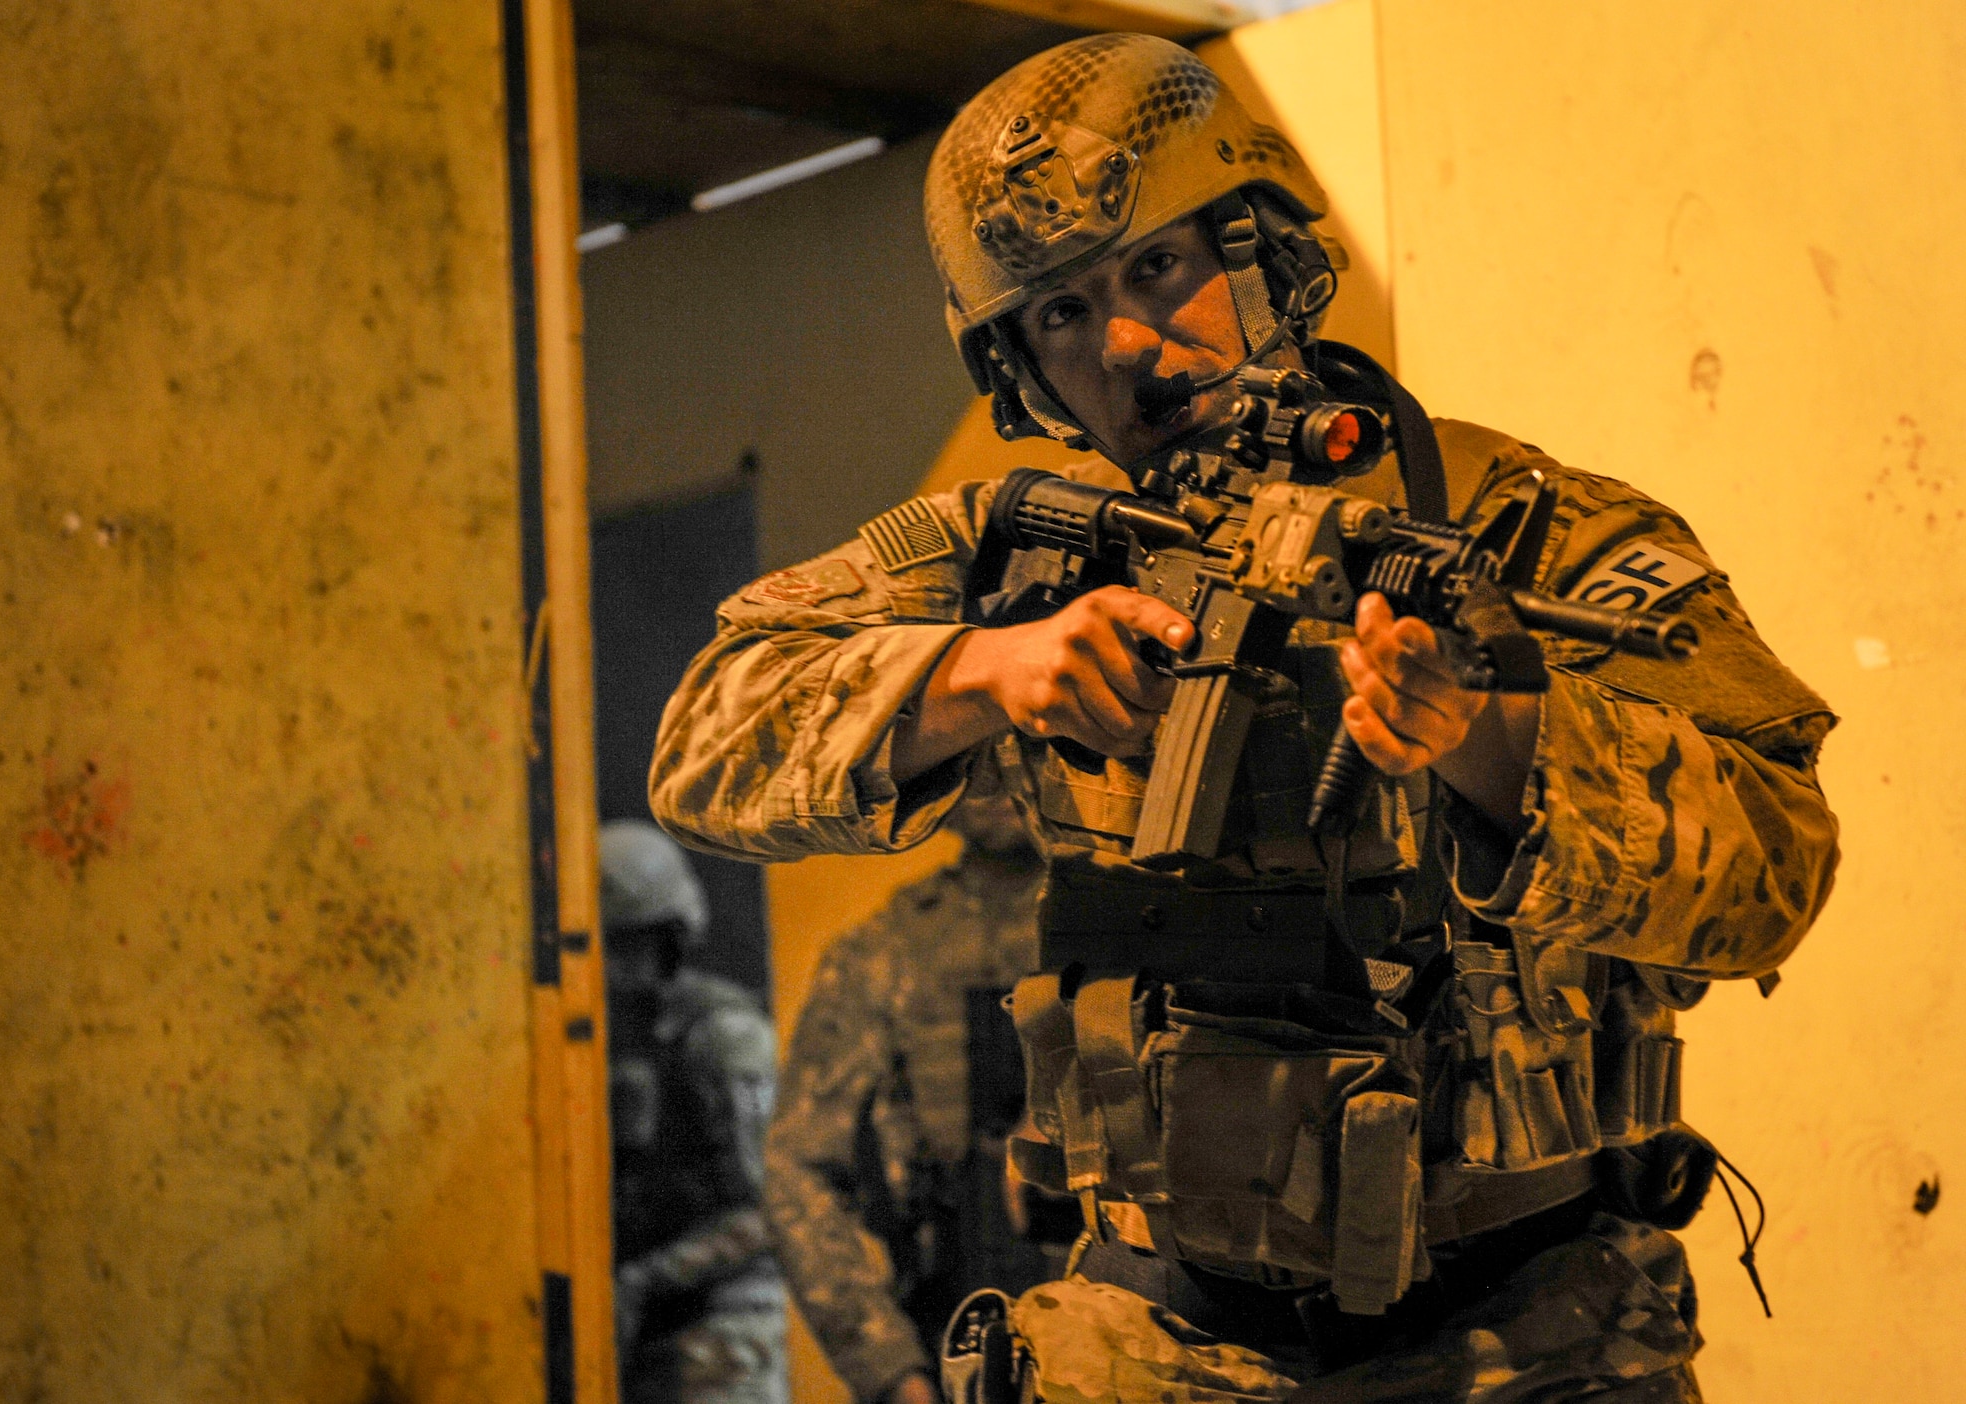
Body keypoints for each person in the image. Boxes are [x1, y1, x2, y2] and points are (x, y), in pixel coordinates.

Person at [651, 33, 1838, 1402]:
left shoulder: (1518, 524)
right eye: (1063, 314)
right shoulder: (1020, 557)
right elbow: (701, 745)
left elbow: (1782, 867)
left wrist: (1496, 741)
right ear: (1020, 365)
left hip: (1531, 1338)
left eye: (1158, 267)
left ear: (1263, 246)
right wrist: (984, 673)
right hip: (1159, 1337)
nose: (1131, 349)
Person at [765, 778, 1076, 1404]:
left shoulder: (1139, 927)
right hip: (960, 1330)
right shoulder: (885, 953)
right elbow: (797, 1171)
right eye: (975, 754)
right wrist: (892, 1369)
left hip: (1137, 1331)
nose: (996, 776)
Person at [601, 821, 787, 1404]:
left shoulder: (723, 1035)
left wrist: (643, 1280)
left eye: (635, 946)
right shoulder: (593, 1043)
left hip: (723, 1331)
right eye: (608, 946)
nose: (617, 969)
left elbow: (768, 1211)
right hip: (637, 1333)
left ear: (672, 940)